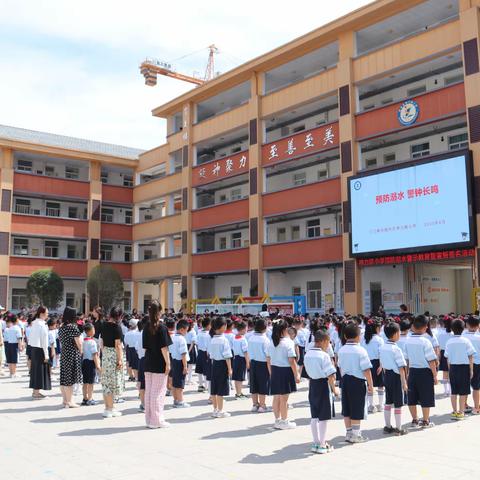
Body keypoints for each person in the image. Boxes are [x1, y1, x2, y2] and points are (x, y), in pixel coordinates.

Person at [337, 322, 373, 443]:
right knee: (357, 408)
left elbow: (340, 367)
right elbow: (366, 370)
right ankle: (356, 435)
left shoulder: (341, 350)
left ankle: (348, 433)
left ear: (345, 336)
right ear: (358, 336)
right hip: (357, 381)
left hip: (345, 380)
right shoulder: (361, 350)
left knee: (346, 408)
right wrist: (371, 385)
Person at [303, 330, 337, 454]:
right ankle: (323, 444)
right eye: (328, 342)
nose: (328, 345)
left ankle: (316, 442)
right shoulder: (324, 355)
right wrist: (334, 389)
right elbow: (331, 375)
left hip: (312, 384)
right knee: (324, 417)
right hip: (323, 385)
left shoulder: (307, 354)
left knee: (314, 415)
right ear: (322, 341)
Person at [404, 315, 438, 428]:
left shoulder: (408, 341)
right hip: (425, 373)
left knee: (412, 397)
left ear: (413, 327)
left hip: (412, 371)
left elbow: (406, 359)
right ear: (425, 328)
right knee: (426, 397)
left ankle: (414, 420)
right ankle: (425, 420)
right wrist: (435, 375)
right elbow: (431, 361)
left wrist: (407, 373)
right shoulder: (425, 342)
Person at [142, 301, 172, 428]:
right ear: (159, 311)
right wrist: (168, 363)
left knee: (149, 392)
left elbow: (145, 347)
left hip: (148, 361)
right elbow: (164, 348)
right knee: (158, 392)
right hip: (159, 363)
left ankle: (149, 419)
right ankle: (157, 420)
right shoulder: (162, 327)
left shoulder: (146, 327)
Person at [267, 318, 300, 429]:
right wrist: (297, 374)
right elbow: (291, 360)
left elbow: (268, 359)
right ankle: (285, 421)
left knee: (276, 397)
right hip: (285, 371)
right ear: (284, 330)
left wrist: (271, 372)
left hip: (275, 370)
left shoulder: (271, 342)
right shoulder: (288, 342)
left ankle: (277, 420)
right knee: (284, 398)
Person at [379, 322, 408, 436]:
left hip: (387, 375)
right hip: (396, 377)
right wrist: (404, 382)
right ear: (396, 334)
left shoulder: (382, 347)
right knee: (398, 403)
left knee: (388, 401)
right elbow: (401, 368)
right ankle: (399, 428)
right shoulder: (396, 349)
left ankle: (387, 426)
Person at [444, 318, 475, 420]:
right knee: (463, 391)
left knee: (454, 391)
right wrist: (471, 370)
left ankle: (454, 411)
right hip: (464, 367)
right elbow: (470, 356)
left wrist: (449, 370)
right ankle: (461, 412)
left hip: (453, 367)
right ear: (463, 328)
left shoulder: (449, 342)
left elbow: (447, 357)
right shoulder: (466, 341)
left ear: (452, 329)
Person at [100, 307, 125, 418]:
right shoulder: (117, 327)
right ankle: (111, 408)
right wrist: (120, 359)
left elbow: (101, 341)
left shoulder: (104, 325)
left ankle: (107, 407)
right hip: (114, 355)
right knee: (113, 382)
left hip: (106, 353)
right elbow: (118, 345)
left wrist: (104, 351)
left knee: (106, 381)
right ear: (119, 316)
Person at [208, 317, 233, 418]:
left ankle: (215, 409)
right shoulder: (224, 340)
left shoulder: (213, 339)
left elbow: (210, 354)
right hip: (222, 365)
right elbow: (227, 356)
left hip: (214, 364)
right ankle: (220, 410)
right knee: (221, 389)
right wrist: (230, 368)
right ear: (223, 327)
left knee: (214, 388)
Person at [58, 307, 82, 408]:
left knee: (64, 378)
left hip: (64, 353)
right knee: (70, 379)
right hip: (72, 354)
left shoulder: (61, 326)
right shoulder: (72, 327)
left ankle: (64, 400)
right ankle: (70, 401)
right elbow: (78, 342)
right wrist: (81, 351)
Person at [247, 318, 271, 413]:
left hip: (253, 362)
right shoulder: (265, 340)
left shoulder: (251, 338)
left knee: (254, 384)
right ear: (264, 328)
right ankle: (262, 405)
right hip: (263, 364)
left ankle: (255, 404)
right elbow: (267, 354)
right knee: (262, 385)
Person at [362, 318, 385, 413]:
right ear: (376, 328)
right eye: (379, 327)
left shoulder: (364, 339)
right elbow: (382, 353)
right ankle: (381, 405)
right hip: (377, 363)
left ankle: (370, 405)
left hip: (367, 364)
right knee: (380, 386)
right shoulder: (379, 339)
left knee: (369, 385)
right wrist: (381, 365)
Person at [28, 306, 51, 399]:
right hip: (40, 349)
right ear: (41, 314)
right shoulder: (42, 324)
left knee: (35, 371)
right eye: (46, 313)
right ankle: (36, 393)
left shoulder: (34, 323)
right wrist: (46, 354)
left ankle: (35, 391)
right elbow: (44, 341)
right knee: (39, 371)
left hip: (34, 349)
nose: (47, 314)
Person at [169, 319, 190, 408]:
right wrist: (185, 367)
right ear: (181, 329)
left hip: (173, 361)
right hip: (180, 363)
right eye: (186, 330)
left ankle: (175, 400)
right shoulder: (182, 339)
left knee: (174, 383)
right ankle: (180, 401)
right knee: (180, 384)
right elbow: (183, 354)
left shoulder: (172, 337)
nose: (186, 332)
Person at [463, 316, 480, 414]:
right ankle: (476, 408)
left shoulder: (463, 336)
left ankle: (464, 405)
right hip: (477, 364)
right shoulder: (479, 337)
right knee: (476, 387)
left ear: (467, 325)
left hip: (465, 363)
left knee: (465, 385)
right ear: (478, 326)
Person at [81, 323, 101, 406]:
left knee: (85, 382)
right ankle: (90, 398)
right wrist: (98, 366)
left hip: (84, 362)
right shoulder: (92, 342)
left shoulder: (83, 341)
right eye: (93, 329)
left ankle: (85, 398)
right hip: (91, 363)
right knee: (91, 383)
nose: (94, 331)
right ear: (90, 331)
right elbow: (94, 355)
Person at [232, 320, 249, 398]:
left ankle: (238, 392)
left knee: (236, 377)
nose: (247, 330)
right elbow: (245, 352)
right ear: (242, 329)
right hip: (242, 359)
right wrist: (248, 362)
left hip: (236, 358)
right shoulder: (243, 339)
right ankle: (239, 393)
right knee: (240, 377)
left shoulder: (235, 337)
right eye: (246, 328)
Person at [437, 316, 453, 397]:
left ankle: (445, 391)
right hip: (452, 353)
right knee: (451, 372)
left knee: (445, 373)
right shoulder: (453, 333)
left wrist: (438, 357)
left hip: (443, 353)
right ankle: (450, 390)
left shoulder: (440, 333)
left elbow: (438, 346)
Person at [195, 317, 211, 393]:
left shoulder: (199, 332)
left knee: (200, 370)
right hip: (206, 353)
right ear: (208, 325)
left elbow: (197, 344)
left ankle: (200, 385)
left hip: (200, 352)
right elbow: (208, 346)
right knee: (206, 370)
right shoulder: (208, 334)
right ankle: (207, 386)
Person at [135, 317, 146, 412]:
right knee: (148, 384)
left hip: (141, 360)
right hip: (148, 360)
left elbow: (136, 347)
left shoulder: (139, 334)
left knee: (142, 383)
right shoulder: (148, 334)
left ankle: (143, 404)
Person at [185, 320, 197, 385]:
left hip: (184, 346)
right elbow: (193, 342)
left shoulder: (185, 330)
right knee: (190, 366)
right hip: (190, 348)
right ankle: (189, 380)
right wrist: (189, 351)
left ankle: (186, 379)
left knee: (185, 365)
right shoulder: (193, 331)